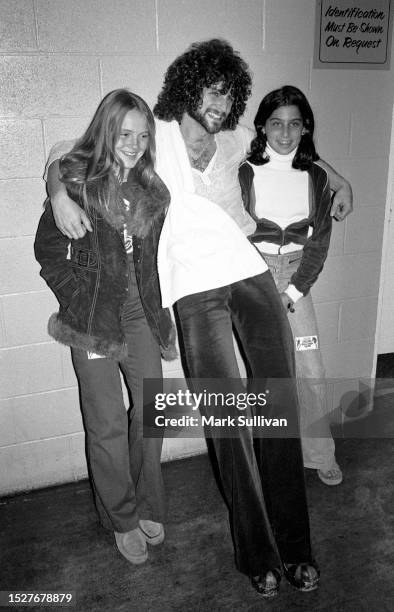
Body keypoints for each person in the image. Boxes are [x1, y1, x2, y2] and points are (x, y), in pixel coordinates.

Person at [44, 40, 352, 597]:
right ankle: (256, 552)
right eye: (212, 88)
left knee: (276, 401)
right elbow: (74, 151)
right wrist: (55, 190)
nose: (221, 101)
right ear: (189, 86)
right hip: (193, 287)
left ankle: (297, 546)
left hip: (249, 269)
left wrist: (340, 179)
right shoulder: (155, 132)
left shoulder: (234, 139)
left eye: (229, 92)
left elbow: (293, 150)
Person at [34, 89, 177, 566]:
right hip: (92, 317)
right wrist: (77, 299)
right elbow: (48, 253)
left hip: (139, 311)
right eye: (124, 134)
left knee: (153, 408)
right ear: (106, 131)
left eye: (142, 135)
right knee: (107, 420)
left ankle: (147, 502)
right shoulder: (75, 183)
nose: (134, 144)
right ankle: (121, 517)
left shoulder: (154, 190)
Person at [239, 85, 342, 486]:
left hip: (298, 282)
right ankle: (267, 460)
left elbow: (319, 243)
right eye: (277, 124)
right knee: (263, 376)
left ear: (305, 128)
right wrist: (263, 290)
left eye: (294, 124)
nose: (285, 134)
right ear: (262, 126)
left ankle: (319, 454)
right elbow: (236, 234)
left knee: (311, 369)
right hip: (254, 278)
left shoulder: (317, 177)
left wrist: (293, 292)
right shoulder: (244, 172)